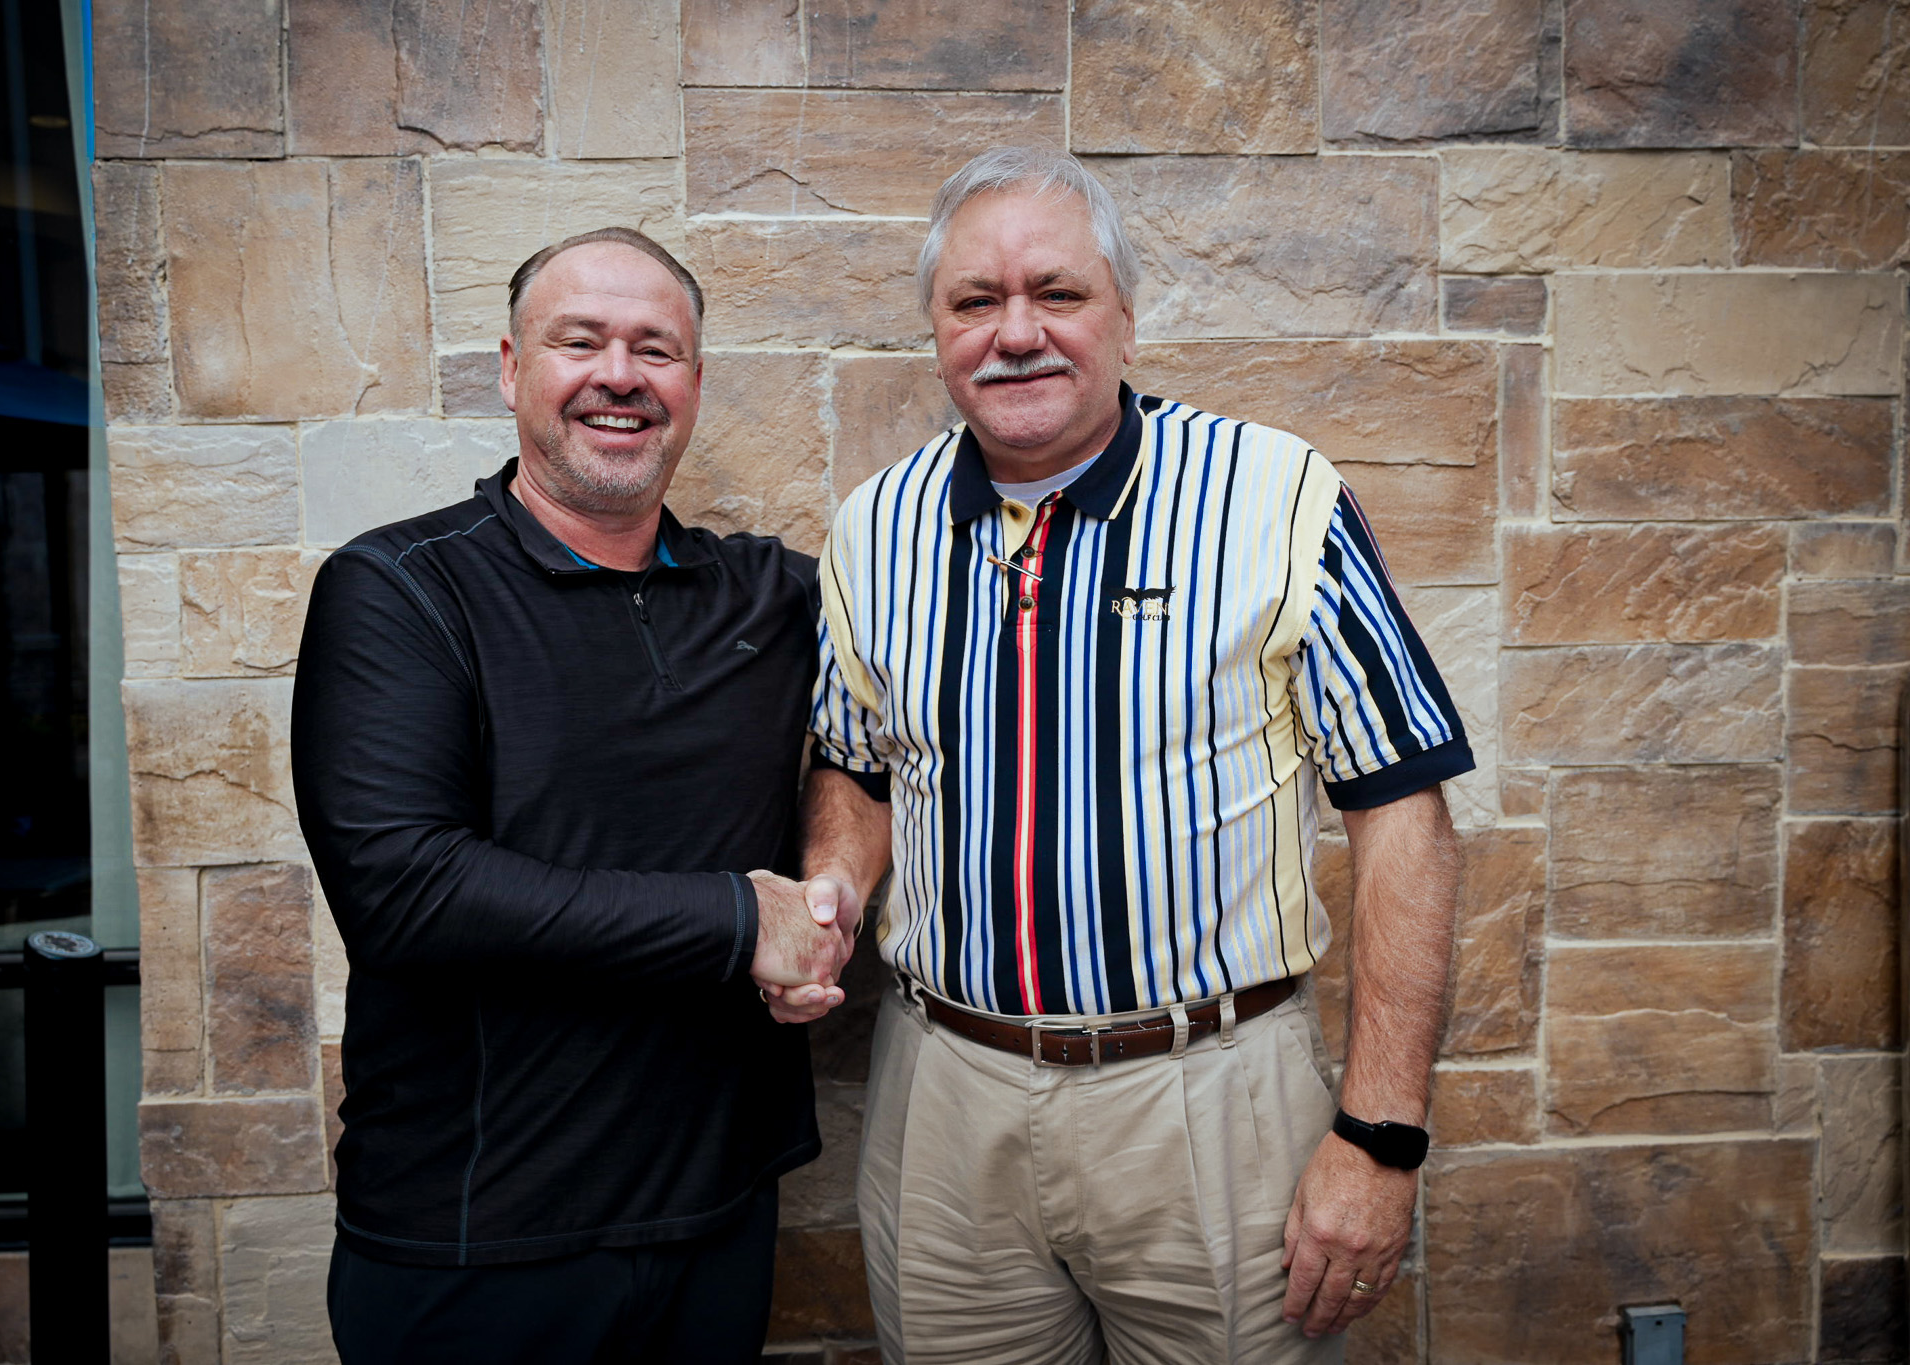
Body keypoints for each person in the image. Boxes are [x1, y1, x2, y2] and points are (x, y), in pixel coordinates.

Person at [772, 149, 1471, 1363]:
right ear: (935, 331)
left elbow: (1400, 813)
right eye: (975, 301)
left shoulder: (1273, 497)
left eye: (1057, 292)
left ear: (1126, 319)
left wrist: (1379, 1137)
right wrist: (833, 884)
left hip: (1208, 1099)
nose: (1016, 333)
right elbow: (855, 763)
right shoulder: (873, 528)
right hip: (945, 1095)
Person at [293, 226, 855, 1365]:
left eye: (655, 348)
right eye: (579, 341)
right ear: (512, 370)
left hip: (716, 1214)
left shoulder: (771, 595)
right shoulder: (401, 588)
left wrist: (831, 889)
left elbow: (883, 733)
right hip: (476, 1241)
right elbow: (405, 889)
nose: (619, 374)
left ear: (693, 383)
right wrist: (741, 918)